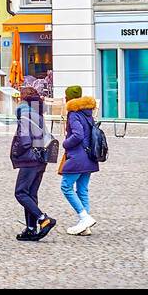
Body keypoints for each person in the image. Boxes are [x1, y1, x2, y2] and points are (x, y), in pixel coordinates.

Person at [10, 86, 56, 241]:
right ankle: (30, 228)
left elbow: (24, 140)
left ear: (23, 99)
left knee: (21, 192)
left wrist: (16, 152)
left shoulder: (24, 114)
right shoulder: (38, 113)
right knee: (31, 194)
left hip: (29, 159)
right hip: (41, 158)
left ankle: (43, 219)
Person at [59, 85, 100, 235]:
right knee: (82, 189)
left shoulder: (73, 113)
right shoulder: (87, 113)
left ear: (69, 98)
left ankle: (84, 217)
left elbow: (77, 135)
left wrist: (65, 143)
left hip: (77, 157)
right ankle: (85, 226)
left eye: (66, 96)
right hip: (89, 157)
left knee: (66, 187)